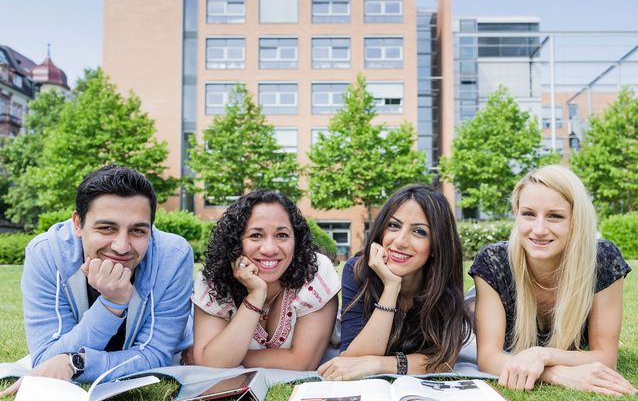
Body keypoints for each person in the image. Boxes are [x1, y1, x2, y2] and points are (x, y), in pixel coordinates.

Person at [1, 165, 194, 396]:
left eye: (138, 231)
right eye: (106, 228)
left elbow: (154, 355)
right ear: (77, 224)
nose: (121, 246)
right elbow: (46, 359)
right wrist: (112, 304)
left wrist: (74, 363)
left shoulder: (174, 256)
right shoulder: (47, 253)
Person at [471, 164, 637, 395]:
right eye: (528, 214)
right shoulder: (492, 261)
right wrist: (554, 373)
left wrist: (542, 354)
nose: (539, 229)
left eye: (555, 216)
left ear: (576, 220)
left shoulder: (602, 259)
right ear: (516, 213)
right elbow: (488, 359)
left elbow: (606, 358)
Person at [318, 185, 471, 380]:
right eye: (394, 226)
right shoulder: (357, 271)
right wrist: (391, 287)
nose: (400, 241)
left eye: (419, 232)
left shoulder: (442, 281)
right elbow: (351, 359)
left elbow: (443, 359)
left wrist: (378, 364)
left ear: (436, 245)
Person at [190, 190, 339, 370]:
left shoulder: (315, 271)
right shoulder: (214, 280)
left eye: (282, 235)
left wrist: (225, 356)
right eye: (256, 235)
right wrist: (255, 295)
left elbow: (303, 363)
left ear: (296, 240)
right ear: (236, 241)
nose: (270, 249)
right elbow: (210, 364)